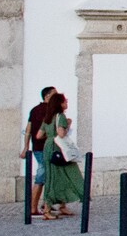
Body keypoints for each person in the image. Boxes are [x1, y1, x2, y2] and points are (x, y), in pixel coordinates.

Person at [38, 93, 84, 218]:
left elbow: (38, 135)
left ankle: (62, 205)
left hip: (48, 147)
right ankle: (47, 209)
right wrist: (67, 124)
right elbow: (61, 134)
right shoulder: (61, 117)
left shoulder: (47, 118)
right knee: (61, 175)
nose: (67, 104)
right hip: (58, 149)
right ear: (60, 103)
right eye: (65, 101)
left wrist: (50, 135)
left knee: (55, 176)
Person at [24, 86, 56, 218]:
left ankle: (46, 204)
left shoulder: (34, 110)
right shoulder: (49, 111)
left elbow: (28, 130)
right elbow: (46, 132)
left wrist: (26, 147)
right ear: (47, 96)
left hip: (37, 147)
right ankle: (32, 207)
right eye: (54, 94)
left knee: (47, 176)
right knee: (41, 177)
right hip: (45, 148)